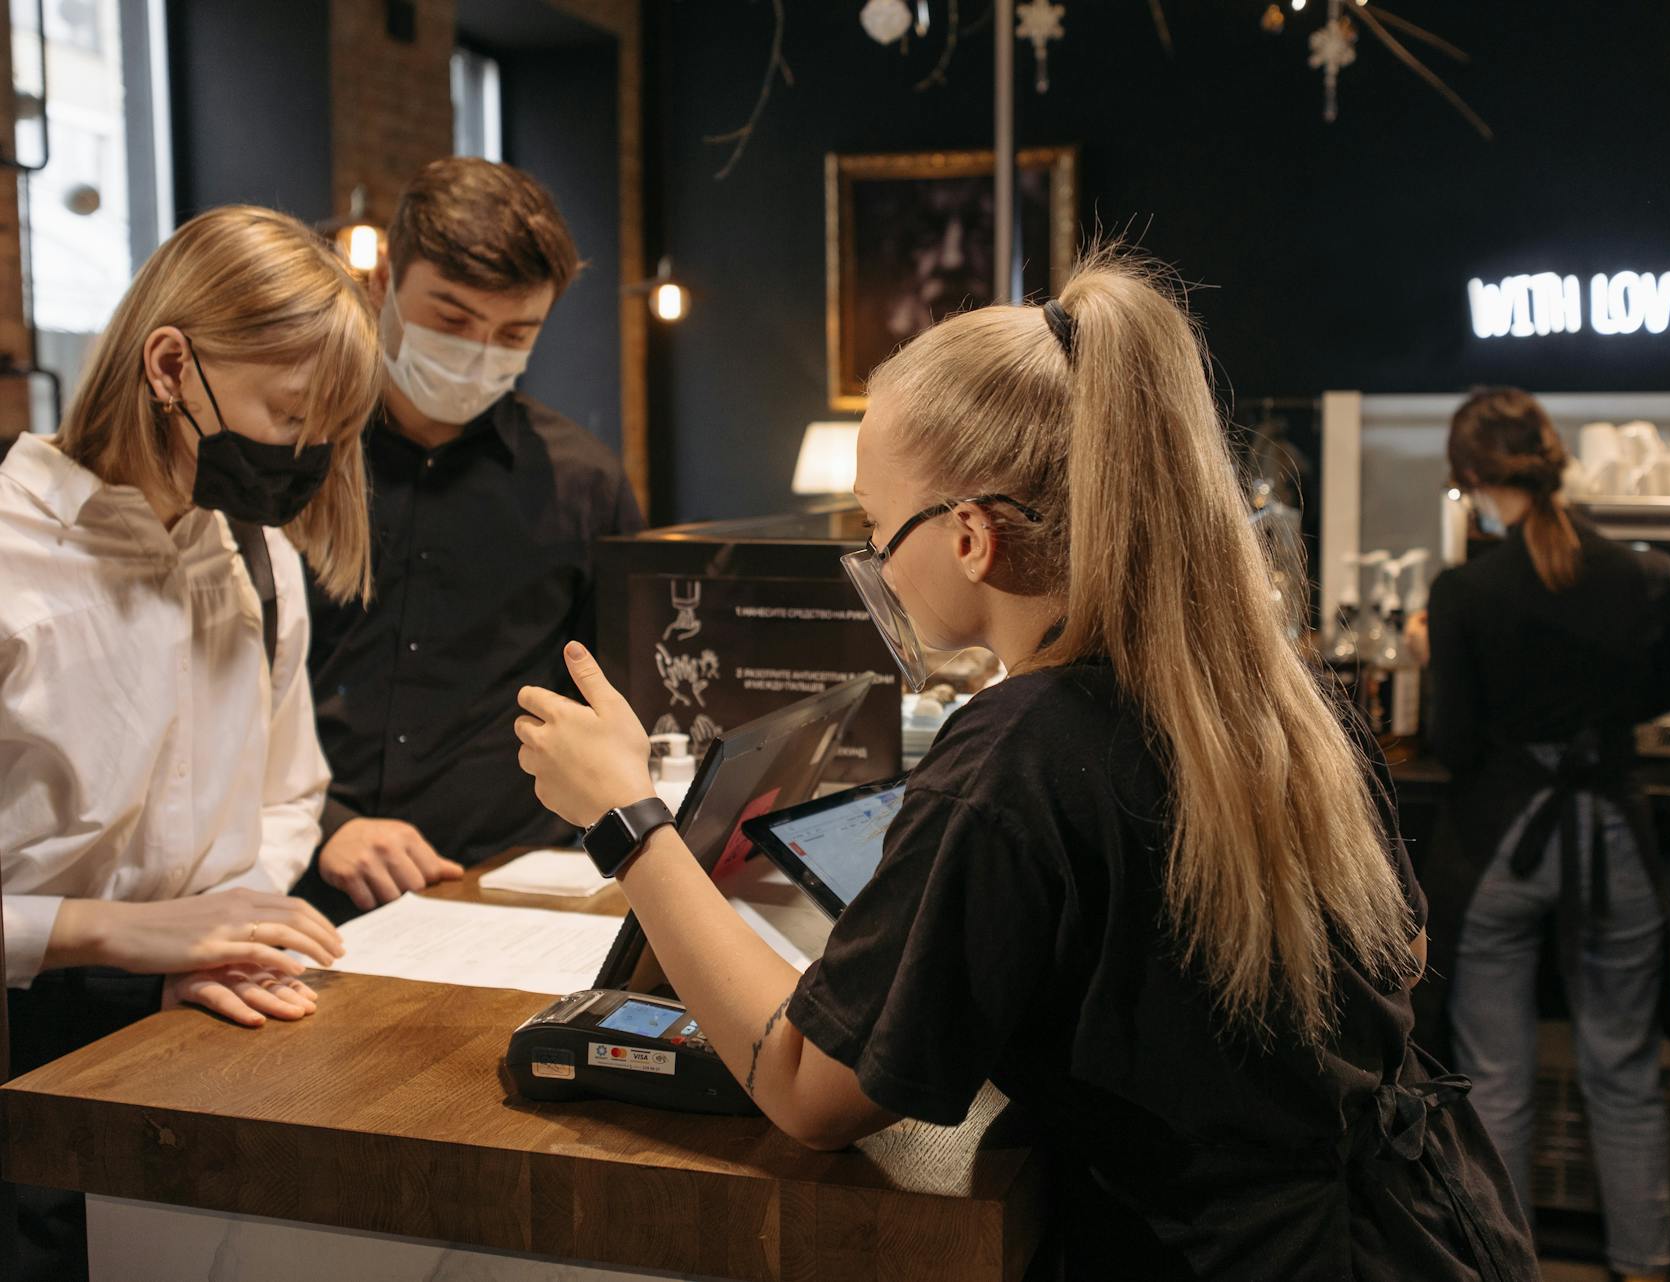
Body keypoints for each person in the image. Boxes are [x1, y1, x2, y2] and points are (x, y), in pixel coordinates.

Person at [514, 249, 1535, 1280]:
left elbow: (806, 1087)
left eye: (877, 528)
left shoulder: (1019, 749)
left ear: (969, 537)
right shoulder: (1279, 697)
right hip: (1423, 1234)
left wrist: (628, 819)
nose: (875, 562)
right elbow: (1398, 953)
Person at [1, 205, 363, 1280]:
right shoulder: (14, 559)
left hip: (201, 1031)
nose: (308, 461)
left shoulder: (257, 559)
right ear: (170, 364)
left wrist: (226, 929)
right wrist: (121, 935)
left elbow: (290, 791)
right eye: (291, 415)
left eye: (332, 434)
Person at [301, 157, 645, 917]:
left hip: (508, 889)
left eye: (514, 332)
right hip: (300, 883)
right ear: (385, 279)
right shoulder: (297, 456)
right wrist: (322, 827)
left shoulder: (583, 485)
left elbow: (612, 705)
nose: (477, 350)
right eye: (451, 320)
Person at [1410, 387, 1670, 1282]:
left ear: (1470, 477)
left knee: (1495, 1080)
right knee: (1626, 1069)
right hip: (1612, 839)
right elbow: (1667, 694)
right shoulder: (1646, 574)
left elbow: (1451, 744)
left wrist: (1430, 656)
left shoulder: (1462, 591)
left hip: (1500, 841)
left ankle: (1505, 1266)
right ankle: (1643, 1265)